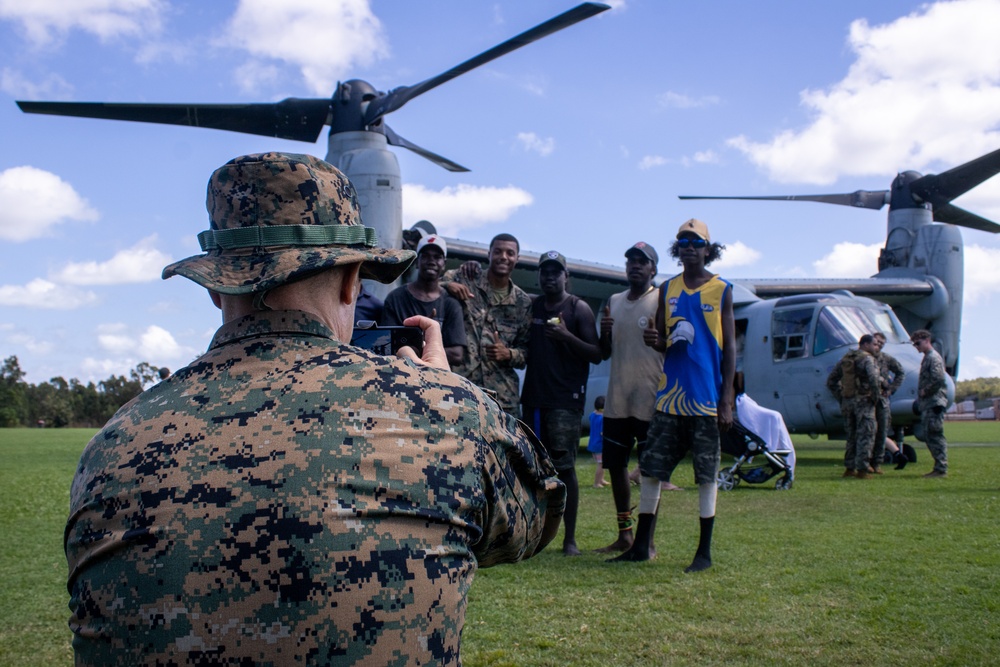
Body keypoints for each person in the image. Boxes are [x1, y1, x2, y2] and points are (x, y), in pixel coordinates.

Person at [64, 152, 565, 666]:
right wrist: (450, 402)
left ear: (218, 286)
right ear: (352, 281)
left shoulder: (113, 443)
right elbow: (533, 523)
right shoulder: (443, 412)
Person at [612, 219, 735, 572]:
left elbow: (729, 351)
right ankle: (640, 547)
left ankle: (703, 552)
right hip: (669, 398)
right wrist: (657, 342)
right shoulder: (668, 289)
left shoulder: (722, 290)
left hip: (706, 399)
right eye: (683, 241)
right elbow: (666, 340)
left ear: (709, 249)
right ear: (676, 249)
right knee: (652, 470)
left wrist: (727, 400)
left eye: (696, 242)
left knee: (706, 474)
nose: (689, 247)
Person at [521, 250, 602, 556]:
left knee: (564, 467)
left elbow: (596, 353)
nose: (550, 277)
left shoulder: (578, 308)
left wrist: (567, 337)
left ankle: (569, 539)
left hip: (566, 400)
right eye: (545, 272)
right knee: (531, 466)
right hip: (534, 397)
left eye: (556, 272)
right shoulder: (533, 305)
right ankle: (533, 533)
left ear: (567, 276)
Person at [594, 241, 669, 555]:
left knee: (650, 470)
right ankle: (625, 534)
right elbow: (605, 352)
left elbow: (671, 343)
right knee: (615, 466)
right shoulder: (614, 301)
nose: (635, 266)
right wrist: (605, 333)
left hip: (650, 399)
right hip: (618, 399)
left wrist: (659, 340)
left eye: (642, 261)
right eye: (631, 261)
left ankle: (646, 539)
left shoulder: (662, 299)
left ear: (653, 268)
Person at [443, 233, 532, 417]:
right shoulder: (467, 278)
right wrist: (447, 285)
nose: (504, 257)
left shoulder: (523, 302)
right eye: (498, 251)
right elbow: (430, 284)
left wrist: (509, 353)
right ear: (489, 254)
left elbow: (527, 351)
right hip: (461, 386)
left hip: (502, 396)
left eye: (510, 253)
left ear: (517, 258)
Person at [381, 233, 467, 367]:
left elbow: (457, 355)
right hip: (400, 375)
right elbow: (386, 344)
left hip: (438, 379)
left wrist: (414, 344)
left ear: (444, 264)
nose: (431, 261)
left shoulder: (451, 303)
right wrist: (425, 344)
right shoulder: (395, 298)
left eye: (437, 257)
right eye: (425, 256)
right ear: (417, 262)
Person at [826, 335, 881, 479]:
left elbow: (831, 381)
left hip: (848, 403)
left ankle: (849, 468)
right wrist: (875, 397)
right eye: (874, 344)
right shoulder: (868, 359)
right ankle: (862, 470)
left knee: (851, 436)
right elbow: (874, 380)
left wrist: (842, 397)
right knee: (866, 436)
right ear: (866, 344)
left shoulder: (846, 359)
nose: (876, 347)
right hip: (864, 402)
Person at [911, 328, 949, 478]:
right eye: (914, 344)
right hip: (929, 403)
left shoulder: (933, 358)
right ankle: (938, 467)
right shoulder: (927, 357)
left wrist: (925, 391)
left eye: (918, 343)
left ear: (927, 341)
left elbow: (938, 378)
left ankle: (941, 468)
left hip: (934, 402)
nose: (917, 347)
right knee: (929, 434)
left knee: (934, 435)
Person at [872, 332, 905, 473]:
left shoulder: (886, 359)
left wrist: (891, 389)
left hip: (881, 400)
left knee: (881, 431)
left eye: (881, 344)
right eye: (876, 342)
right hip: (864, 400)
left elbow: (900, 372)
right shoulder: (862, 358)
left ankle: (877, 462)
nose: (878, 345)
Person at [588, 396, 609, 488]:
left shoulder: (592, 415)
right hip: (600, 445)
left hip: (593, 444)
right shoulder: (603, 419)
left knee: (601, 463)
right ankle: (597, 483)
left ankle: (601, 480)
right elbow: (603, 433)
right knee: (601, 464)